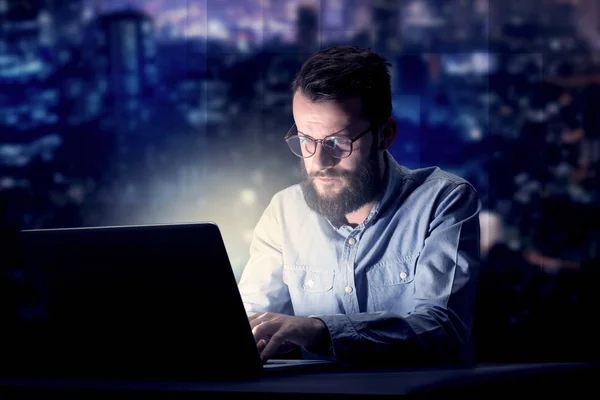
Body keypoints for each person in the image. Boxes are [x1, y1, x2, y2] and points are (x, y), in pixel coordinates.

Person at [237, 45, 482, 367]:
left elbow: (442, 329)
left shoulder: (443, 201)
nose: (319, 162)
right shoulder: (284, 211)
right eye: (306, 140)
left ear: (385, 135)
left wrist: (321, 331)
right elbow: (248, 318)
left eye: (338, 142)